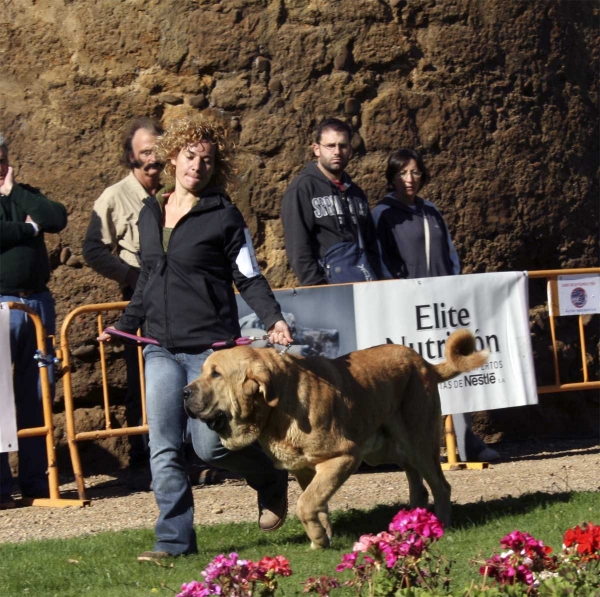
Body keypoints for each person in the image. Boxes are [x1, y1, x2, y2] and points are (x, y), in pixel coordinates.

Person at [98, 113, 293, 561]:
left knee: (212, 446)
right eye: (190, 157)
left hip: (211, 353)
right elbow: (149, 277)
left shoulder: (224, 215)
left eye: (207, 160)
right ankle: (174, 542)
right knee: (164, 447)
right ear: (173, 158)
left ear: (215, 167)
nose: (197, 166)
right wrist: (125, 326)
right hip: (163, 349)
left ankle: (268, 478)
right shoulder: (151, 213)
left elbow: (249, 276)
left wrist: (273, 318)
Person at [372, 148, 500, 463]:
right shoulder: (382, 214)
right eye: (402, 173)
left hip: (442, 307)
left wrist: (453, 287)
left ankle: (466, 442)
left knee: (456, 367)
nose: (409, 178)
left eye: (415, 172)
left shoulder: (432, 211)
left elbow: (450, 254)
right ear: (392, 176)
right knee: (411, 380)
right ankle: (407, 448)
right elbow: (378, 259)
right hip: (405, 308)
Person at [82, 117, 164, 464]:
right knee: (143, 376)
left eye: (158, 150)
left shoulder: (179, 190)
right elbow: (93, 249)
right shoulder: (114, 197)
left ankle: (190, 452)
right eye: (145, 152)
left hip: (181, 297)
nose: (153, 158)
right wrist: (131, 277)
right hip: (142, 299)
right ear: (131, 156)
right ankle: (142, 455)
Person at [0, 132, 68, 508]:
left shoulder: (22, 192)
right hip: (1, 305)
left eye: (0, 160)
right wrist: (27, 229)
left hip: (37, 303)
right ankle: (0, 487)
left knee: (38, 393)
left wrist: (16, 194)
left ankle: (36, 482)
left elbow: (55, 218)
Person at [282, 118, 380, 286]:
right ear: (316, 149)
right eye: (330, 146)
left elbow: (371, 244)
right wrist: (318, 288)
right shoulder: (303, 188)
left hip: (363, 287)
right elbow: (298, 247)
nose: (337, 152)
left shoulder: (356, 193)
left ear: (350, 150)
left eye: (343, 146)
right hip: (328, 289)